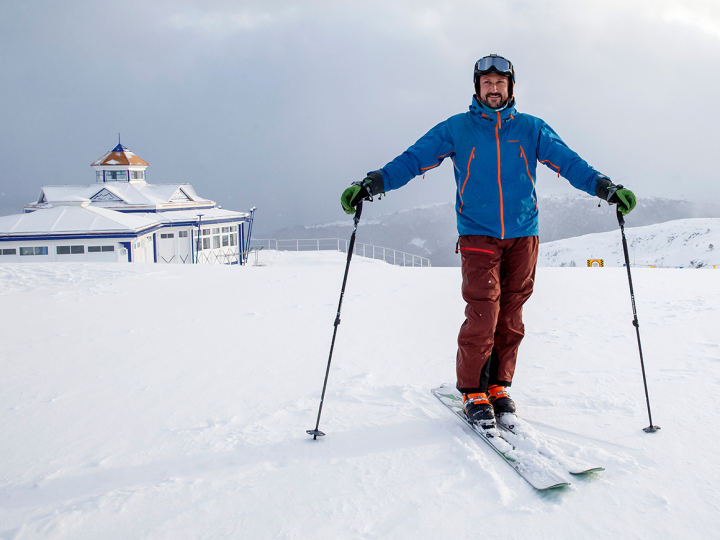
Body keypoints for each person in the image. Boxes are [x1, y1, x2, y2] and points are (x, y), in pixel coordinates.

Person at [340, 54, 636, 429]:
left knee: (511, 316)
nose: (493, 89)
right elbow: (413, 160)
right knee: (484, 311)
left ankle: (498, 385)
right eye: (487, 83)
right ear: (477, 88)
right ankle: (472, 390)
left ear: (510, 88)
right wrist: (373, 183)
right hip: (478, 232)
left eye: (500, 83)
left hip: (523, 233)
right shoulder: (457, 129)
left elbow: (569, 162)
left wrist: (606, 188)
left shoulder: (532, 129)